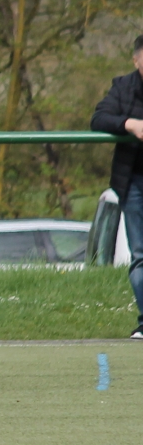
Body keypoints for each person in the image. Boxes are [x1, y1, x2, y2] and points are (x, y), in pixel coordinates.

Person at [91, 33, 143, 339]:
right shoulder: (122, 87)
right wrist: (129, 124)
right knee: (140, 255)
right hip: (134, 182)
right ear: (136, 60)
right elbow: (99, 119)